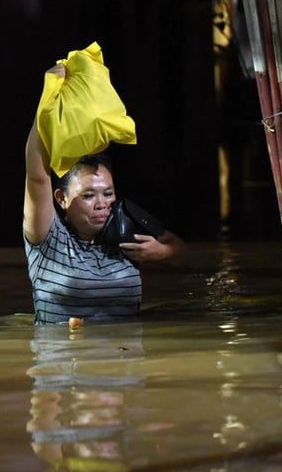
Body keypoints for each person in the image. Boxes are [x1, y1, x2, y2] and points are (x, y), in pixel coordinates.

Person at [23, 63, 184, 325]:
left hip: (124, 358)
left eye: (108, 193)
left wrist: (162, 253)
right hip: (65, 360)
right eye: (88, 196)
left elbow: (180, 251)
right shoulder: (48, 241)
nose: (102, 204)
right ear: (61, 199)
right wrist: (48, 100)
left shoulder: (124, 228)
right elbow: (36, 178)